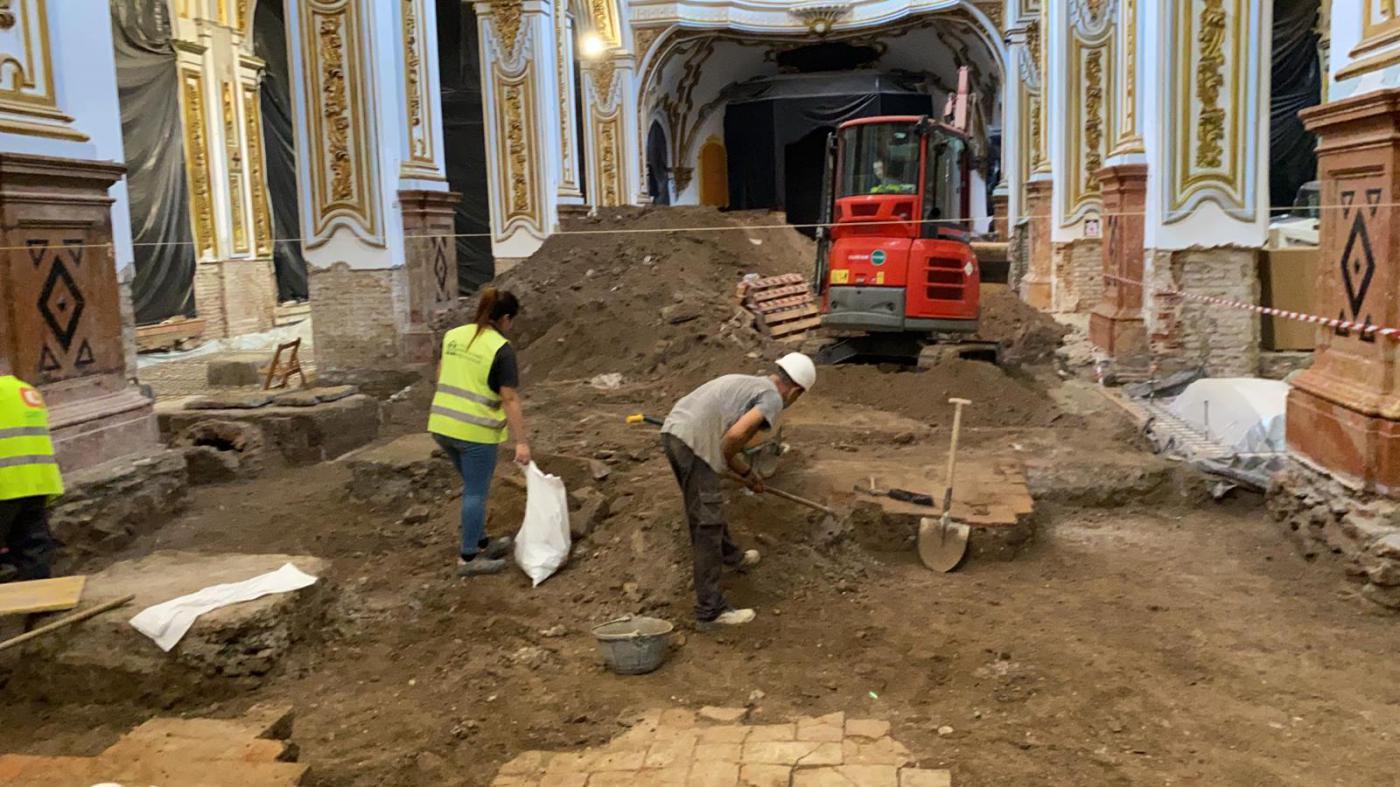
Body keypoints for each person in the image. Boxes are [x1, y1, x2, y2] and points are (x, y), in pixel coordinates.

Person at [660, 353, 817, 628]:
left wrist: (748, 474)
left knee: (705, 512)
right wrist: (721, 456)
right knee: (707, 524)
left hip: (674, 434)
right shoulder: (772, 398)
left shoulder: (750, 384)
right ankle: (711, 611)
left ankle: (733, 557)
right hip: (695, 444)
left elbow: (730, 442)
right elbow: (734, 437)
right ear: (795, 391)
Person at [428, 288, 532, 577]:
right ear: (506, 318)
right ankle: (468, 558)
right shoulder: (501, 349)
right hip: (475, 434)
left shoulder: (454, 336)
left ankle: (480, 540)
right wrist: (521, 443)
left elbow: (440, 375)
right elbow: (509, 398)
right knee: (476, 492)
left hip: (441, 426)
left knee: (473, 486)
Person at [0, 357, 62, 584]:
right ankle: (38, 608)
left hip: (4, 485)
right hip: (38, 483)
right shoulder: (27, 391)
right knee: (33, 548)